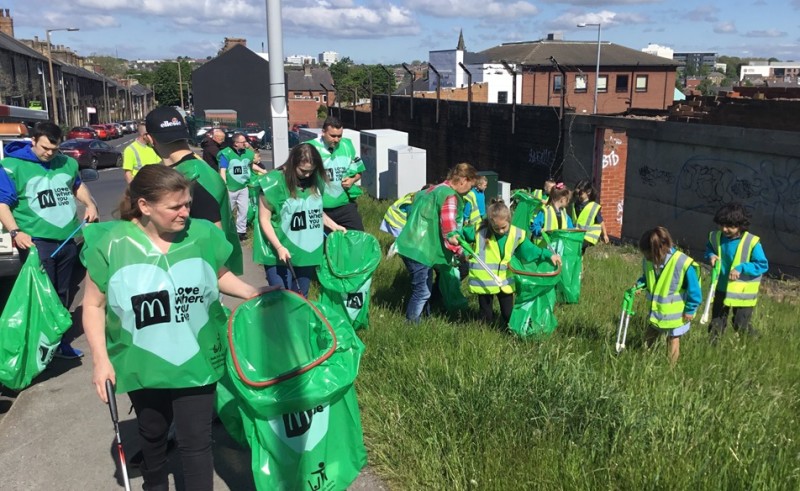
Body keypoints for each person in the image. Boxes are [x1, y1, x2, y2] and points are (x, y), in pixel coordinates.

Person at [82, 165, 264, 491]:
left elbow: (218, 274)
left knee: (196, 442)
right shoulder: (111, 244)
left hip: (198, 356)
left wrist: (251, 292)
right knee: (152, 434)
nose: (185, 213)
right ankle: (154, 484)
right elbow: (93, 305)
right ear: (144, 206)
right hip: (141, 361)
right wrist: (100, 360)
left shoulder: (203, 234)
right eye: (175, 207)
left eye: (188, 204)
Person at [0, 121, 98, 359]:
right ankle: (37, 346)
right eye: (45, 148)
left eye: (54, 149)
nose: (49, 153)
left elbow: (77, 185)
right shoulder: (12, 166)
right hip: (36, 242)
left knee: (63, 292)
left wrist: (91, 203)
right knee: (42, 295)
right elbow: (3, 204)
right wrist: (15, 232)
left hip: (67, 240)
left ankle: (59, 342)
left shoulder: (67, 163)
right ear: (33, 141)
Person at [144, 106, 243, 275]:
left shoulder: (189, 177)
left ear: (150, 139)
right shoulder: (199, 169)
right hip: (205, 270)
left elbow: (213, 238)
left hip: (196, 275)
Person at [254, 143, 345, 298]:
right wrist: (279, 247)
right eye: (303, 171)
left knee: (301, 298)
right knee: (281, 298)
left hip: (306, 251)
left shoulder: (315, 180)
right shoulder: (273, 183)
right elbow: (264, 220)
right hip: (279, 251)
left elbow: (313, 210)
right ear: (292, 163)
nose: (308, 175)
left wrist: (333, 225)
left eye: (312, 171)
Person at [395, 163, 477, 322]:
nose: (469, 191)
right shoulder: (450, 197)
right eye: (470, 186)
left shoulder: (431, 190)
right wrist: (461, 252)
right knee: (422, 291)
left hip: (408, 244)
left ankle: (426, 316)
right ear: (463, 180)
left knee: (425, 286)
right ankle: (411, 324)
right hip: (421, 248)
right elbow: (450, 232)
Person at [463, 199, 561, 325]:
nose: (501, 231)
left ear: (509, 220)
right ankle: (484, 335)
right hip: (484, 281)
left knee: (508, 313)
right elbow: (461, 235)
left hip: (504, 280)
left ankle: (512, 331)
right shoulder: (479, 230)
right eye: (496, 228)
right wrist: (454, 236)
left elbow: (530, 250)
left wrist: (548, 255)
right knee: (485, 315)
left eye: (503, 227)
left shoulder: (516, 233)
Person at [704, 202, 768, 342]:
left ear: (740, 225)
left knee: (740, 325)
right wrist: (711, 256)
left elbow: (762, 264)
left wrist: (741, 268)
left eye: (729, 226)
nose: (724, 229)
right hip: (720, 288)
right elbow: (709, 249)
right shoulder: (715, 237)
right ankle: (712, 349)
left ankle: (754, 342)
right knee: (716, 324)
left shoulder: (752, 242)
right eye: (721, 225)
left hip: (742, 294)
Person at [637, 226, 702, 364]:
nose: (647, 259)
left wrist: (691, 309)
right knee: (650, 334)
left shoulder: (682, 263)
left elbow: (694, 290)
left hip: (677, 314)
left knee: (673, 340)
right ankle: (643, 359)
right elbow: (647, 278)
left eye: (649, 255)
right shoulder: (649, 262)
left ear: (660, 249)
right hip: (657, 312)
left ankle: (671, 369)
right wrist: (639, 285)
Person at [306, 116, 365, 231]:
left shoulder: (347, 146)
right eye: (332, 136)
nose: (337, 140)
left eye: (339, 136)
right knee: (324, 245)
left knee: (358, 237)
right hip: (320, 207)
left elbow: (360, 171)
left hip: (345, 205)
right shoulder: (309, 148)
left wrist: (352, 180)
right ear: (323, 132)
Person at [218, 132, 265, 241]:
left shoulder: (248, 154)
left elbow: (250, 164)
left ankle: (241, 232)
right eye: (243, 142)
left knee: (243, 210)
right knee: (228, 210)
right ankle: (224, 231)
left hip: (243, 187)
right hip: (230, 188)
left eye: (245, 141)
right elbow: (223, 170)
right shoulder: (226, 154)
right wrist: (224, 184)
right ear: (235, 143)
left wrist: (262, 170)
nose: (245, 144)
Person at [379, 184, 432, 257]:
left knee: (406, 240)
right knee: (402, 240)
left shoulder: (417, 197)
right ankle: (391, 256)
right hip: (396, 221)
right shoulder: (412, 203)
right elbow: (413, 219)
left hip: (399, 220)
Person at [571, 179, 609, 253]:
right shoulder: (575, 204)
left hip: (589, 236)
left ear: (588, 192)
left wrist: (605, 235)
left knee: (576, 248)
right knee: (578, 253)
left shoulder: (593, 207)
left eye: (580, 194)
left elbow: (600, 221)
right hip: (578, 234)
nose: (578, 196)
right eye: (577, 193)